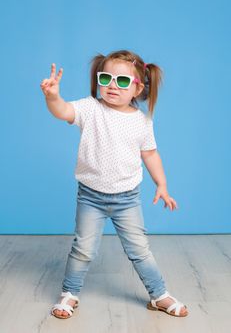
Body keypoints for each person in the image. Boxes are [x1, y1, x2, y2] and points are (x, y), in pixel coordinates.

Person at [40, 49, 188, 319]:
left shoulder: (142, 122)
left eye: (121, 81)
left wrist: (162, 184)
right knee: (83, 249)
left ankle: (159, 294)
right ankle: (70, 293)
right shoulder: (90, 108)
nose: (111, 85)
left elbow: (150, 154)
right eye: (105, 78)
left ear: (137, 88)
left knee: (140, 251)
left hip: (127, 199)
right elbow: (63, 111)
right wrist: (53, 97)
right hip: (90, 197)